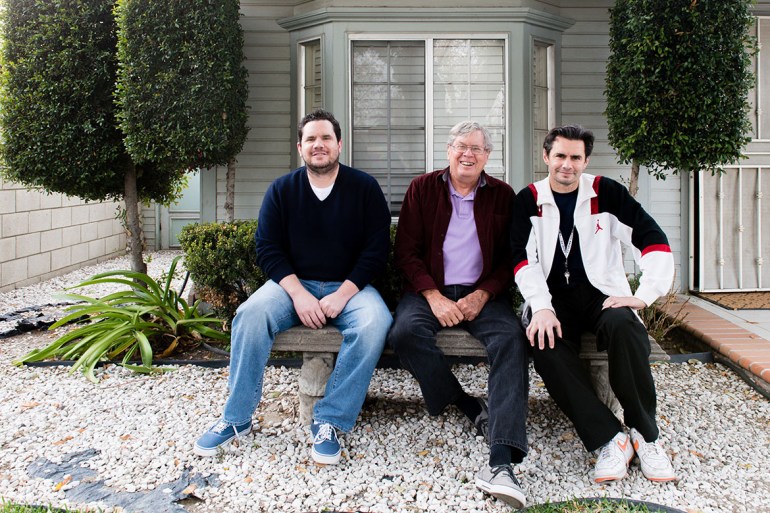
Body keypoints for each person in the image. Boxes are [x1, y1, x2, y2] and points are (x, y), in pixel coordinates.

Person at [194, 109, 392, 465]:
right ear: (300, 147)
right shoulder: (282, 190)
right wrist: (299, 294)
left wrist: (342, 294)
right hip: (290, 286)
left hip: (349, 288)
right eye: (311, 139)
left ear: (339, 144)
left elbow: (376, 250)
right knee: (250, 314)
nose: (319, 145)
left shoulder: (365, 188)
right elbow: (267, 249)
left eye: (326, 138)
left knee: (375, 322)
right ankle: (236, 417)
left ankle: (330, 419)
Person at [510, 124, 677, 483]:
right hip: (553, 300)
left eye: (575, 157)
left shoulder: (606, 193)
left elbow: (652, 239)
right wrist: (540, 306)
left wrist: (644, 294)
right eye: (560, 156)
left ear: (585, 160)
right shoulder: (528, 199)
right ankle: (609, 438)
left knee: (626, 328)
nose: (566, 165)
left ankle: (645, 435)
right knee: (544, 343)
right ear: (546, 157)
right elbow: (522, 260)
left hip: (603, 293)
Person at [388, 121, 529, 508]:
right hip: (430, 289)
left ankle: (501, 459)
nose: (468, 154)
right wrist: (433, 296)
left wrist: (483, 294)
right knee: (404, 334)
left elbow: (510, 259)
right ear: (448, 150)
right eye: (461, 147)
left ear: (488, 156)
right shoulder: (422, 188)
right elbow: (406, 252)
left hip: (482, 294)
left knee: (511, 340)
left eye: (477, 149)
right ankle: (466, 403)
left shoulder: (503, 196)